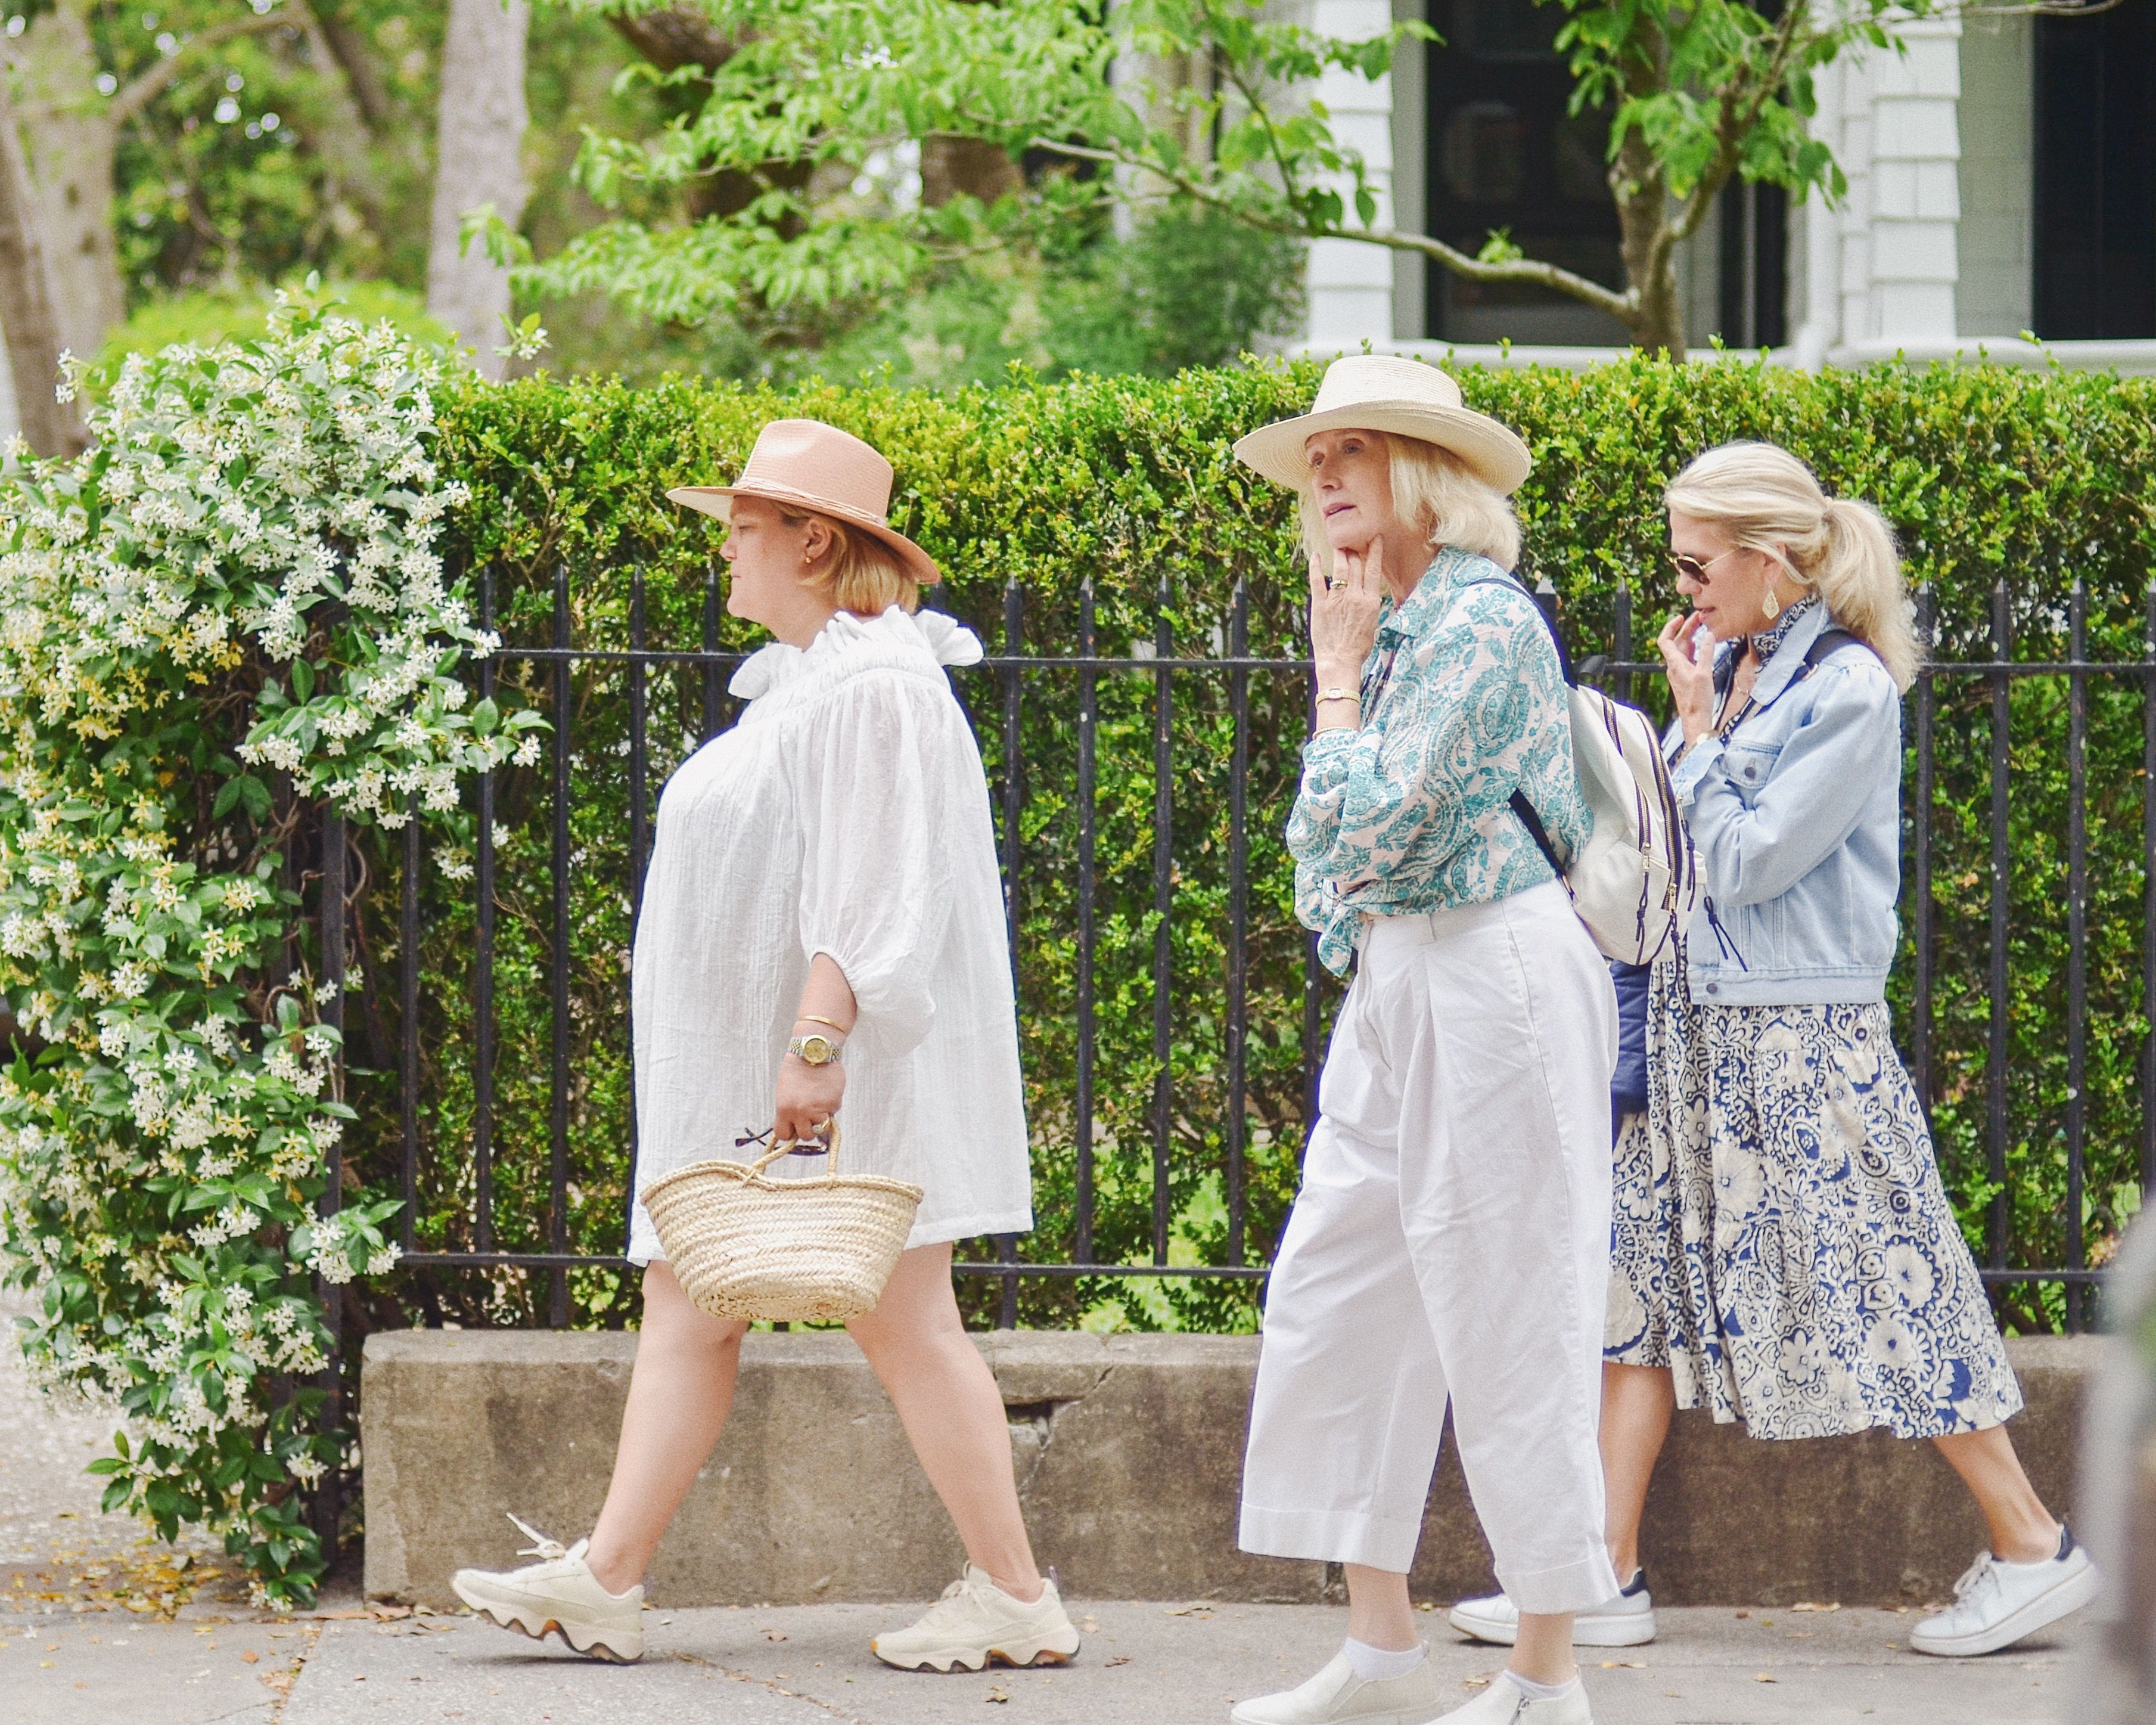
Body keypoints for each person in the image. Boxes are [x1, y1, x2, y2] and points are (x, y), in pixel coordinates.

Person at [448, 419, 1079, 1675]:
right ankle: (608, 1576)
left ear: (812, 538)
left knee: (905, 1312)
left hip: (833, 1067)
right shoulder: (811, 678)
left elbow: (877, 887)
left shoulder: (878, 686)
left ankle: (1014, 1592)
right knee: (691, 1296)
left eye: (744, 526)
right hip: (771, 1065)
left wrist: (815, 1042)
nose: (723, 549)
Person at [1450, 440, 2095, 1659]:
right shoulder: (1746, 669)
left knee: (1899, 1283)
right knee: (1633, 1288)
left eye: (1698, 562)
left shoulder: (1848, 690)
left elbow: (1746, 863)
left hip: (1801, 1041)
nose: (1683, 586)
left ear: (1774, 561)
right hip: (1698, 1032)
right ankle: (1598, 1570)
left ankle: (2032, 1546)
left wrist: (1688, 735)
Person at [1226, 355, 1620, 1725]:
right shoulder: (1392, 627)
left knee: (1516, 1306)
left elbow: (1374, 818)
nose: (1323, 472)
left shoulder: (1477, 622)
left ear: (1428, 474)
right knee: (1338, 1296)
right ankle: (1382, 1656)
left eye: (1356, 449)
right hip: (1402, 977)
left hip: (1496, 973)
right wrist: (1347, 853)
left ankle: (1545, 1679)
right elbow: (1312, 859)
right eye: (1315, 455)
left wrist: (1332, 695)